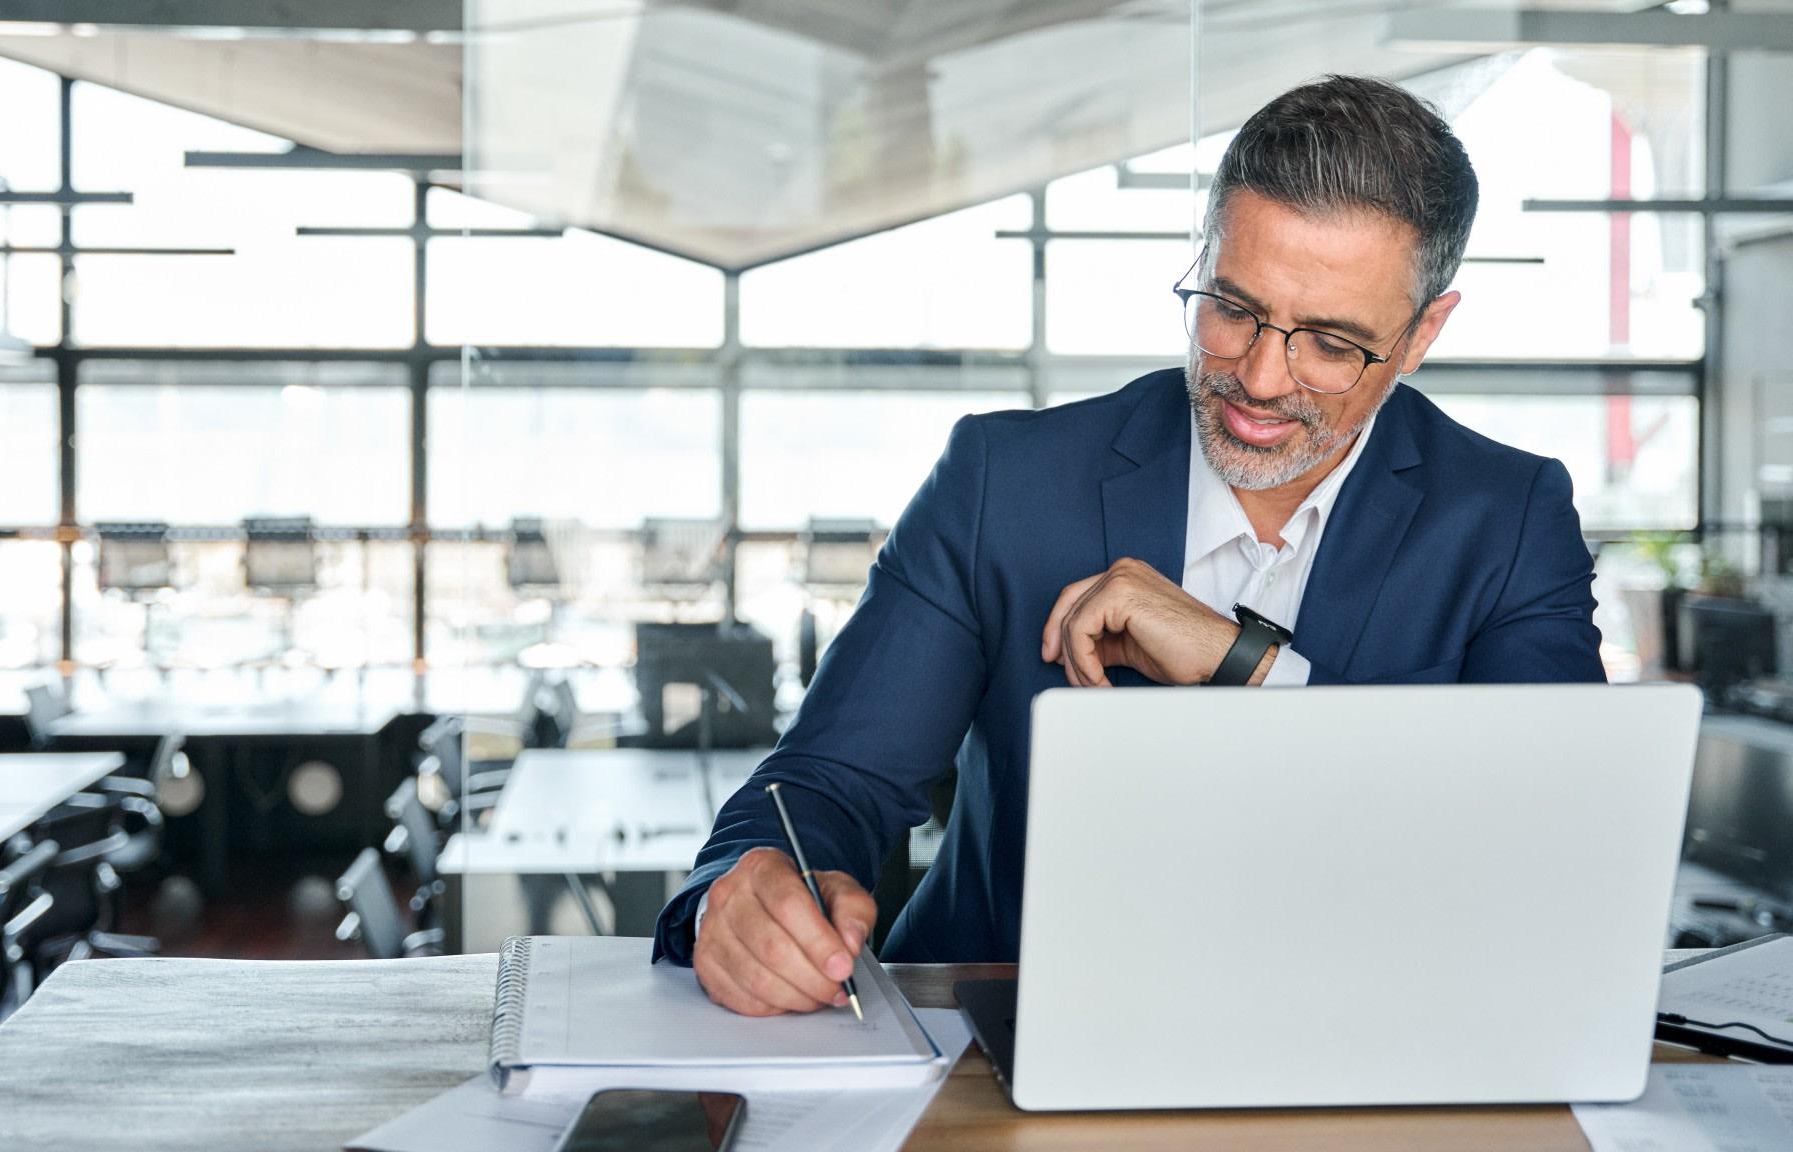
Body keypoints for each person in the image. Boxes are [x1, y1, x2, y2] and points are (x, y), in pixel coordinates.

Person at [656, 75, 1606, 1017]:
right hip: (991, 1045)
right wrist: (740, 894)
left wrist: (1248, 667)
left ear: (1423, 332)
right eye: (1232, 307)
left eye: (1329, 342)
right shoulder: (1005, 482)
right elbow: (828, 782)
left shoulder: (1508, 519)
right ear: (1203, 254)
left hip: (1362, 1044)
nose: (1261, 378)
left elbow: (1547, 854)